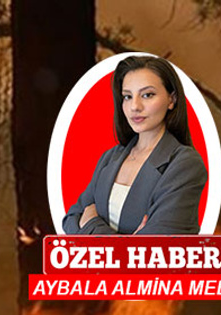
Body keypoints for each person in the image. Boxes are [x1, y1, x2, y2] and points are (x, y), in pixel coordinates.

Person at [62, 55, 207, 235]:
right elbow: (71, 219)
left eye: (147, 95)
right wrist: (130, 242)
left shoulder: (185, 164)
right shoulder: (111, 157)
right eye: (127, 96)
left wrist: (91, 223)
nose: (135, 106)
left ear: (172, 100)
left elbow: (152, 252)